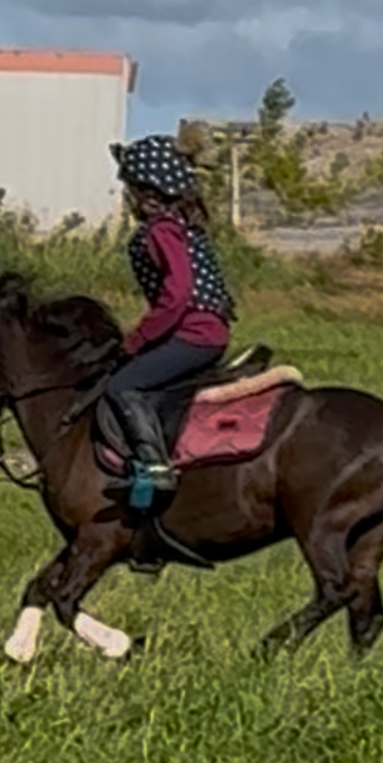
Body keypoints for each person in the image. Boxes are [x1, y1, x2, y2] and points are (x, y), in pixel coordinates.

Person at [106, 135, 236, 503]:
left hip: (195, 334)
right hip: (206, 329)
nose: (127, 195)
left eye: (130, 186)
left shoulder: (162, 229)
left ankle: (154, 468)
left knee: (122, 386)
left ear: (147, 189)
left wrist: (136, 339)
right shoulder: (182, 223)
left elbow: (176, 296)